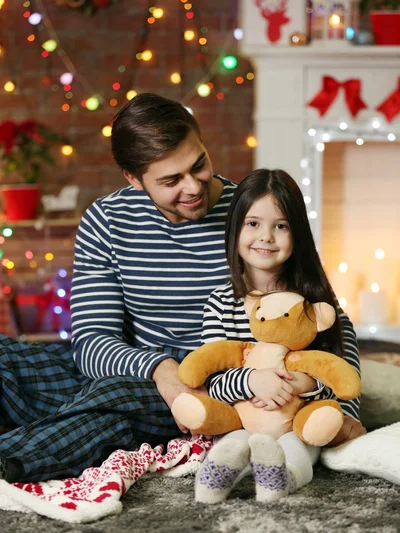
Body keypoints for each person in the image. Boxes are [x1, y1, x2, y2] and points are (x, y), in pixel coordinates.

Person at [0, 95, 363, 484]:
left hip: (216, 381)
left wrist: (347, 412)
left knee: (113, 403)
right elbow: (90, 343)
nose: (192, 187)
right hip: (138, 366)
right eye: (171, 180)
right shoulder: (106, 220)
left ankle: (15, 456)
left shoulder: (252, 218)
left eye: (199, 165)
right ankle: (64, 422)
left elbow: (318, 310)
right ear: (133, 178)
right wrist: (158, 368)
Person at [194, 168, 366, 504]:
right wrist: (253, 382)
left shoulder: (318, 307)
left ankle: (282, 478)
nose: (266, 236)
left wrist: (310, 386)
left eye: (281, 225)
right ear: (235, 229)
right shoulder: (220, 304)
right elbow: (212, 380)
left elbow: (347, 376)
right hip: (242, 417)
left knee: (300, 445)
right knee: (233, 440)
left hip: (296, 421)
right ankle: (217, 476)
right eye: (253, 223)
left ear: (297, 232)